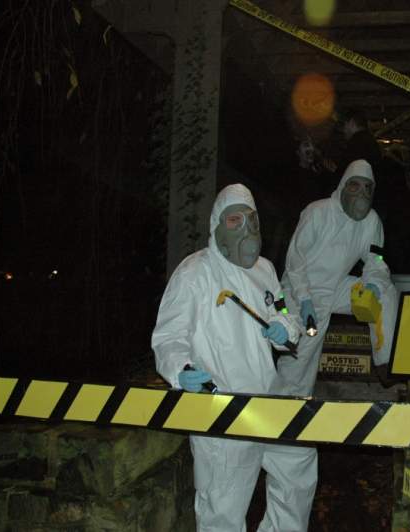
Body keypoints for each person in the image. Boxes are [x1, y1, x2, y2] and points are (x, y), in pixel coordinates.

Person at [151, 183, 316, 532]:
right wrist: (180, 371)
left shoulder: (265, 270)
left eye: (251, 221)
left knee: (298, 462)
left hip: (269, 399)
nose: (246, 230)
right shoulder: (195, 272)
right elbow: (168, 335)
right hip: (221, 409)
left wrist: (285, 330)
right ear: (217, 225)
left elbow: (285, 312)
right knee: (223, 508)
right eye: (235, 220)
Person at [278, 159, 400, 397]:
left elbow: (375, 260)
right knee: (300, 359)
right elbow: (295, 260)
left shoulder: (371, 221)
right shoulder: (318, 211)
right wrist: (303, 299)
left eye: (368, 188)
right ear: (343, 186)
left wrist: (373, 284)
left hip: (335, 288)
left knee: (386, 291)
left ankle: (385, 361)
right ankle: (284, 409)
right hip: (300, 291)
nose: (361, 193)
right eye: (355, 186)